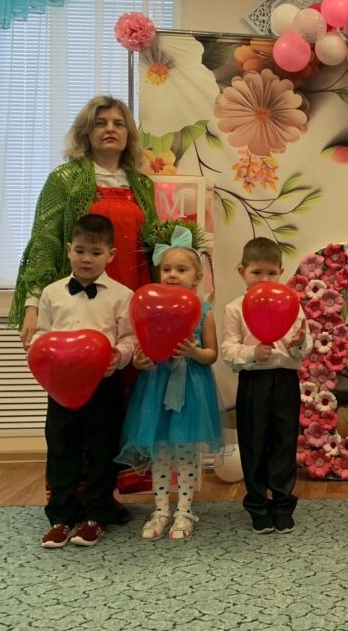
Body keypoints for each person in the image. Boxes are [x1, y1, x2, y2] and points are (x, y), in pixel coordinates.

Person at [12, 95, 158, 347]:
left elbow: (154, 248)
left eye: (118, 124)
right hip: (81, 298)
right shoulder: (63, 179)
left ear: (129, 135)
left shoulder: (143, 185)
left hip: (133, 292)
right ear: (86, 132)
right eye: (100, 123)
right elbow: (44, 243)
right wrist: (32, 306)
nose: (110, 129)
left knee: (125, 363)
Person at [34, 214, 136, 548]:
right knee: (61, 447)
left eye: (95, 252)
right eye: (80, 251)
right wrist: (40, 352)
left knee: (102, 449)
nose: (86, 258)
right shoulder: (51, 293)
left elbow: (129, 338)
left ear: (111, 254)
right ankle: (61, 517)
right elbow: (41, 335)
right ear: (68, 250)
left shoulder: (122, 295)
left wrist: (118, 356)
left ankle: (96, 514)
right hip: (61, 387)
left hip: (102, 385)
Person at [117, 226, 222, 541]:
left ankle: (184, 510)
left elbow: (212, 354)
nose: (172, 275)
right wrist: (139, 361)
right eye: (166, 269)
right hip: (156, 387)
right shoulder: (148, 306)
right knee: (160, 452)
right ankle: (161, 509)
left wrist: (193, 352)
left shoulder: (204, 311)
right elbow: (143, 348)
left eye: (181, 269)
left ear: (197, 276)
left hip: (190, 388)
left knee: (185, 452)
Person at [221, 237, 311, 535]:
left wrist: (301, 342)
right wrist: (251, 352)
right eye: (256, 272)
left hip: (285, 381)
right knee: (253, 444)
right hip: (253, 383)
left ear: (281, 272)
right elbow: (228, 350)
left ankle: (283, 505)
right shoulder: (235, 308)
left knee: (284, 443)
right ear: (242, 272)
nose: (264, 279)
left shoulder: (292, 303)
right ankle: (258, 506)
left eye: (271, 273)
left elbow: (306, 343)